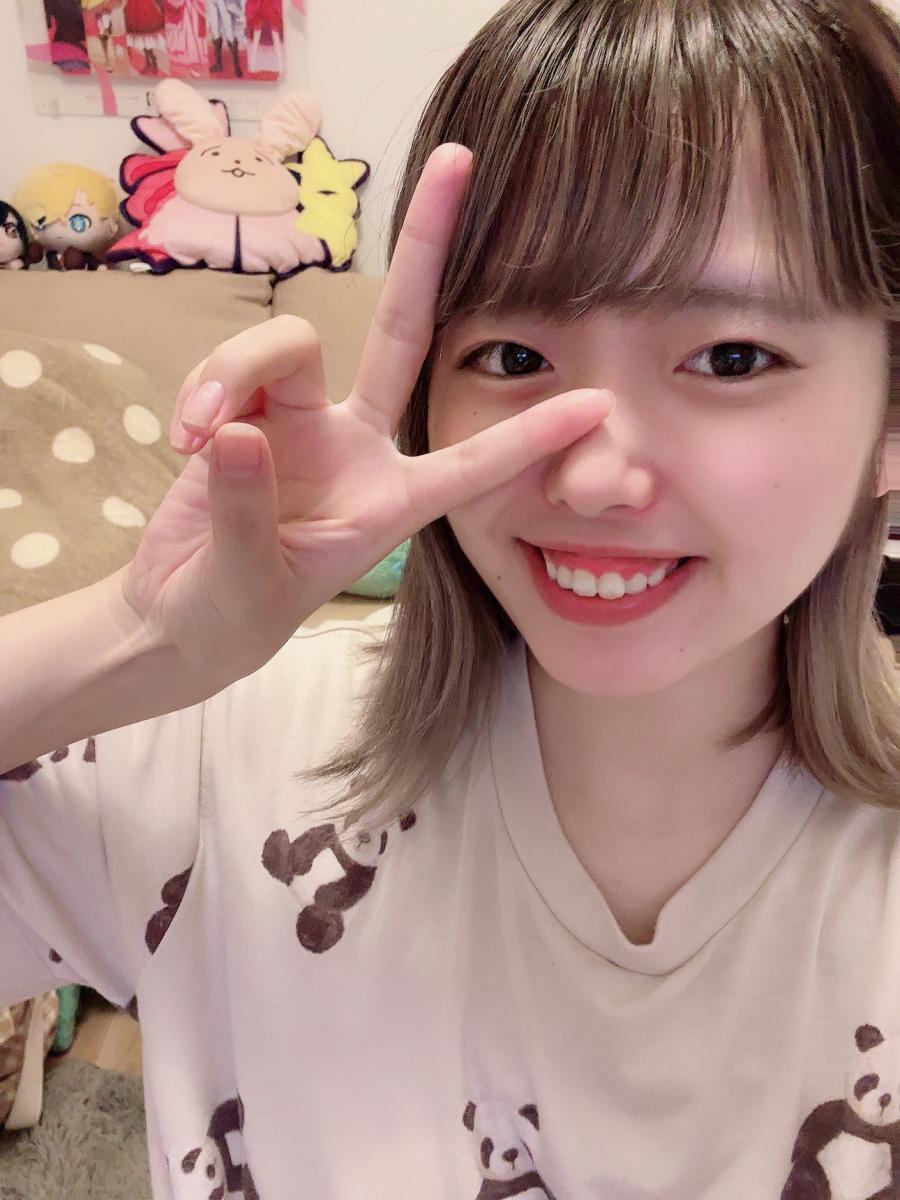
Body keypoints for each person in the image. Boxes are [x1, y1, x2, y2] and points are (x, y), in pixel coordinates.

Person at [1, 0, 898, 1194]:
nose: (591, 476)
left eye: (731, 358)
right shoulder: (220, 759)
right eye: (513, 357)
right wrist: (130, 640)